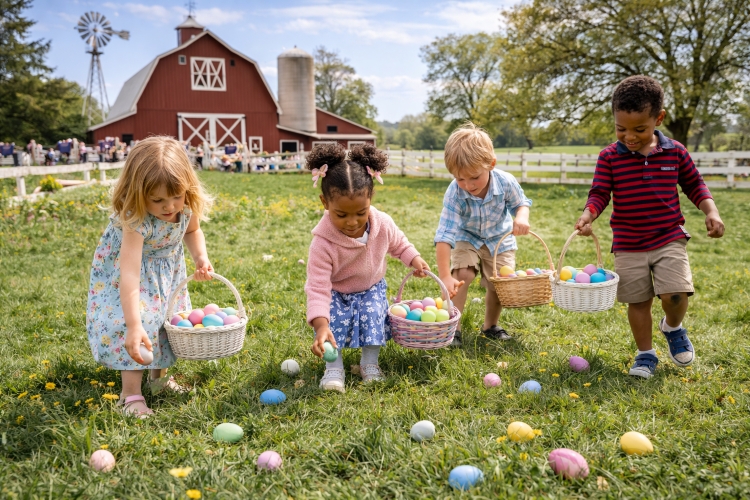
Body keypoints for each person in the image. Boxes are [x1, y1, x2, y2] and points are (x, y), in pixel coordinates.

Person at [575, 75, 724, 379]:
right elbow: (600, 192)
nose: (629, 136)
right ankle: (646, 354)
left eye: (639, 129)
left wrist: (711, 211)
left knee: (676, 294)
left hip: (669, 236)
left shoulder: (675, 152)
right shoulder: (609, 157)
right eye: (621, 128)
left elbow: (694, 184)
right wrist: (589, 214)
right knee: (638, 300)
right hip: (628, 242)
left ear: (658, 118)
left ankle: (672, 326)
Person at [86, 136, 214, 417]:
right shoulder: (136, 219)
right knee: (143, 323)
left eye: (176, 197)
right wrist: (133, 324)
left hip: (167, 272)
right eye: (158, 200)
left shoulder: (186, 206)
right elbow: (129, 274)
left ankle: (160, 380)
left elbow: (192, 232)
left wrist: (200, 257)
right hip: (132, 274)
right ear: (139, 192)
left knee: (166, 322)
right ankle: (130, 394)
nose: (170, 207)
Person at [305, 143, 430, 392]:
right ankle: (334, 368)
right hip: (337, 292)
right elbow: (318, 287)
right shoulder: (322, 242)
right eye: (341, 215)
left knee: (374, 316)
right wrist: (321, 326)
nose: (352, 222)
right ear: (324, 202)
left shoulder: (382, 223)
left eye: (360, 213)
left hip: (371, 287)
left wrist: (414, 259)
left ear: (370, 200)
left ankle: (369, 364)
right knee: (334, 323)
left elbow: (399, 245)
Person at [434, 123, 532, 347]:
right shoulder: (454, 192)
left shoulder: (506, 181)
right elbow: (445, 234)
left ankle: (490, 326)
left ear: (491, 164)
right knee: (462, 275)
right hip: (466, 236)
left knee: (498, 283)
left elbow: (521, 204)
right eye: (460, 178)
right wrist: (444, 276)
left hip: (499, 238)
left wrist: (521, 218)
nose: (467, 185)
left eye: (474, 177)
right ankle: (453, 329)